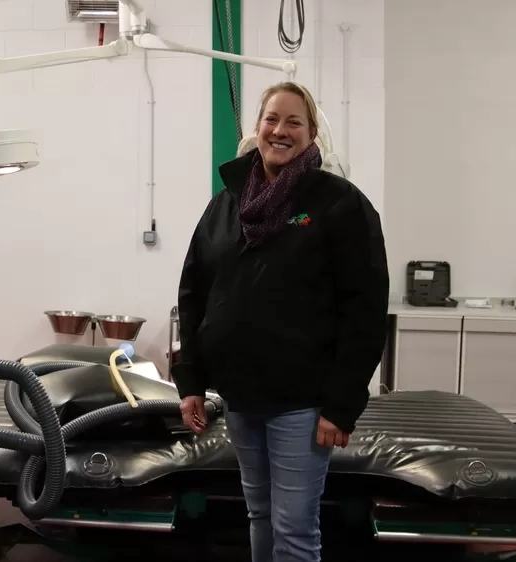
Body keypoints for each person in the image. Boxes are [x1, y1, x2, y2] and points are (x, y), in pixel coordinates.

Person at [172, 81, 390, 562]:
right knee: (259, 515)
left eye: (294, 122)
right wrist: (191, 380)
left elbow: (366, 310)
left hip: (301, 402)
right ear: (258, 127)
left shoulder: (340, 205)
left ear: (311, 134)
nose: (280, 130)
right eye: (272, 119)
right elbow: (195, 295)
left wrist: (342, 404)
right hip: (241, 395)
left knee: (293, 530)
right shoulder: (226, 204)